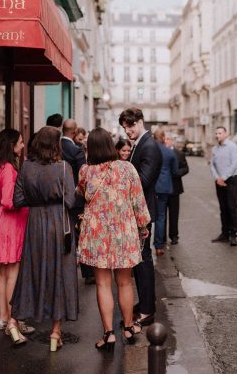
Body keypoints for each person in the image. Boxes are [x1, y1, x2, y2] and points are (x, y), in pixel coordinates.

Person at [76, 128, 150, 350]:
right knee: (125, 282)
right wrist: (143, 226)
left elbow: (81, 194)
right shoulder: (127, 168)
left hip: (98, 234)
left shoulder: (85, 171)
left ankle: (108, 333)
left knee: (102, 283)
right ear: (110, 145)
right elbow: (138, 200)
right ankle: (128, 327)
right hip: (124, 233)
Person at [10, 126, 78, 350]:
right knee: (60, 273)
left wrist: (36, 200)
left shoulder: (26, 166)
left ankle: (13, 321)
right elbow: (70, 201)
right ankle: (55, 333)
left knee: (30, 271)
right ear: (56, 144)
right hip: (58, 224)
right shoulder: (63, 168)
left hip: (35, 224)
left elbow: (18, 199)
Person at [0, 129, 33, 344]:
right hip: (13, 221)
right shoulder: (9, 169)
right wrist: (25, 200)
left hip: (1, 220)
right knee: (13, 271)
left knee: (4, 272)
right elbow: (8, 200)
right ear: (11, 145)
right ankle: (14, 320)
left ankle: (4, 318)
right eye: (20, 143)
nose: (23, 146)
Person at [119, 107, 162, 326]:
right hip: (137, 211)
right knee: (139, 260)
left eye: (130, 126)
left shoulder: (150, 146)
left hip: (142, 212)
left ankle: (147, 310)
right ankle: (143, 303)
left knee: (144, 261)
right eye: (125, 127)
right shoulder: (141, 144)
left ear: (140, 122)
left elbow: (142, 182)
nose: (127, 131)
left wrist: (119, 182)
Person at [61, 119, 93, 284]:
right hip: (75, 197)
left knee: (62, 232)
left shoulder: (55, 147)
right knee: (81, 234)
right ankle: (88, 273)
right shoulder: (77, 150)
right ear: (74, 132)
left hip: (58, 197)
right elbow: (83, 175)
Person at [210, 126, 237, 246]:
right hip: (219, 180)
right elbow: (212, 165)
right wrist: (217, 178)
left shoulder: (233, 147)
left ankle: (233, 234)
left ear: (226, 134)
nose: (217, 135)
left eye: (220, 133)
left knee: (231, 207)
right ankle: (224, 233)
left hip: (231, 179)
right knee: (223, 208)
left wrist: (224, 177)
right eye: (216, 133)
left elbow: (234, 164)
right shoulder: (215, 149)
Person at [153, 128, 177, 256]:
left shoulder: (150, 150)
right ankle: (158, 246)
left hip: (150, 187)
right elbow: (174, 171)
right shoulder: (169, 152)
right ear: (163, 137)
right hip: (164, 187)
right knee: (160, 217)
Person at [164, 135, 189, 245]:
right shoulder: (160, 152)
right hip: (162, 189)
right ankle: (162, 236)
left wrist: (177, 173)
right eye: (165, 139)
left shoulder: (179, 154)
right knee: (162, 215)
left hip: (175, 188)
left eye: (169, 139)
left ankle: (174, 236)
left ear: (173, 141)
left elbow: (185, 168)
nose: (167, 141)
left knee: (174, 214)